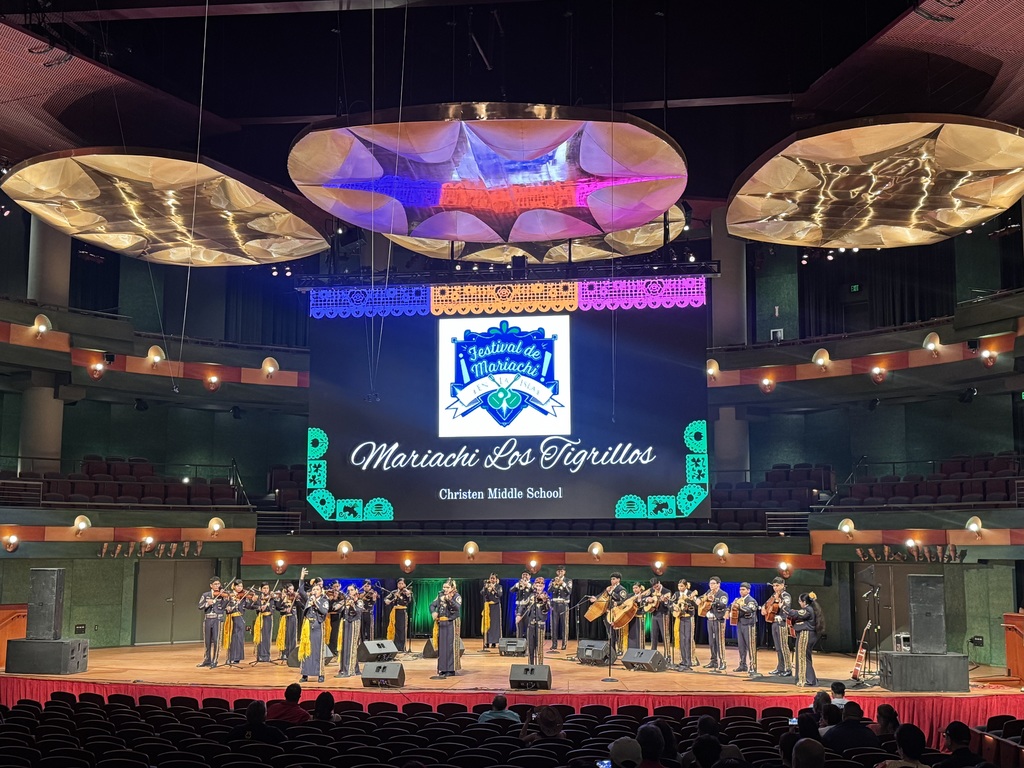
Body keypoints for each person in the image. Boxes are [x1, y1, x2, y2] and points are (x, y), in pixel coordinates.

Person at [297, 567, 329, 683]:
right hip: (307, 627)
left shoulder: (324, 600)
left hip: (317, 627)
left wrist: (316, 603)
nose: (314, 591)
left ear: (321, 591)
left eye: (317, 589)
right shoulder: (308, 599)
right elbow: (300, 591)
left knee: (317, 650)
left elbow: (324, 612)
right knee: (306, 649)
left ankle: (320, 673)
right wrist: (302, 577)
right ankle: (305, 674)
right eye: (313, 589)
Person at [786, 592, 823, 686]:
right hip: (808, 634)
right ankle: (811, 679)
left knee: (802, 657)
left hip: (806, 635)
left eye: (800, 601)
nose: (799, 603)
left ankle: (806, 680)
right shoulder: (811, 609)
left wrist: (784, 607)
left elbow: (796, 614)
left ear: (804, 602)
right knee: (806, 657)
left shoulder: (808, 610)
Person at [590, 572, 629, 657]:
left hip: (616, 614)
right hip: (607, 613)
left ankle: (619, 650)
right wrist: (595, 598)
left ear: (618, 580)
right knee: (610, 633)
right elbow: (602, 595)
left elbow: (623, 600)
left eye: (614, 579)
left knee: (617, 633)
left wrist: (612, 593)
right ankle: (612, 651)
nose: (612, 580)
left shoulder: (621, 589)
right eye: (611, 579)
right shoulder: (609, 588)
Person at [430, 578, 462, 677]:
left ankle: (451, 669)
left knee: (450, 645)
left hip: (452, 622)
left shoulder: (456, 596)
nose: (445, 589)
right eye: (444, 587)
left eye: (447, 587)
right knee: (442, 646)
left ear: (452, 587)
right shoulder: (440, 595)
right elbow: (432, 605)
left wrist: (449, 600)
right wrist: (433, 612)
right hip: (442, 623)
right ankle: (443, 668)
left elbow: (457, 607)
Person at [762, 576, 793, 676]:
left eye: (777, 585)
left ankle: (788, 668)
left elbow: (787, 608)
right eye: (774, 586)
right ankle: (780, 667)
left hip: (781, 623)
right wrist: (763, 608)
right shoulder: (774, 595)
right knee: (778, 647)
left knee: (784, 646)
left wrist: (781, 616)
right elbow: (767, 603)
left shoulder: (785, 595)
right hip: (774, 622)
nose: (775, 588)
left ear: (783, 585)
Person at [334, 583, 365, 678]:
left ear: (356, 591)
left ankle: (349, 670)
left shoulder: (359, 601)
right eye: (348, 590)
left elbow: (359, 611)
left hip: (354, 623)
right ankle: (349, 668)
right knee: (345, 646)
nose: (350, 592)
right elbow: (335, 608)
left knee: (351, 646)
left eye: (352, 590)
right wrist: (341, 602)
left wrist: (353, 605)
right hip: (345, 623)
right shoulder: (346, 600)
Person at [519, 576, 550, 665]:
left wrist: (544, 602)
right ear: (534, 585)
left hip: (540, 625)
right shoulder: (531, 596)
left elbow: (546, 610)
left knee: (539, 647)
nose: (539, 587)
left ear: (543, 586)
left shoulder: (546, 597)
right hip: (531, 624)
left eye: (541, 585)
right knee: (530, 647)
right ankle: (530, 665)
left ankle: (540, 666)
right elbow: (523, 605)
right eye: (537, 585)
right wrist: (518, 615)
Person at [197, 577, 226, 669]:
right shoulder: (206, 595)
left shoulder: (222, 595)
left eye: (218, 584)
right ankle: (207, 659)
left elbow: (225, 606)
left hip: (217, 619)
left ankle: (215, 660)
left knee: (217, 640)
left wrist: (225, 598)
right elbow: (200, 606)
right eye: (215, 584)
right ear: (211, 585)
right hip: (208, 619)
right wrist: (207, 604)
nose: (217, 586)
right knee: (207, 641)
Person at [702, 577, 729, 672]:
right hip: (710, 620)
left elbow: (723, 604)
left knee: (719, 642)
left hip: (719, 620)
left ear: (718, 584)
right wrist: (699, 600)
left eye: (713, 583)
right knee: (711, 641)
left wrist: (714, 600)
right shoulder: (708, 592)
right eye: (710, 583)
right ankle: (713, 661)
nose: (711, 585)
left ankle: (722, 662)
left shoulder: (723, 594)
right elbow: (701, 599)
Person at [732, 582, 759, 674]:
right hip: (740, 624)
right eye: (740, 589)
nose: (741, 591)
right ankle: (742, 665)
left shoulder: (751, 600)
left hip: (749, 625)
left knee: (751, 646)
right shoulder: (738, 600)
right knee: (741, 646)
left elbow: (750, 609)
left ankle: (753, 667)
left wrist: (739, 606)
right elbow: (732, 608)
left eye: (743, 589)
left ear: (748, 590)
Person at [672, 579, 698, 671]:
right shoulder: (676, 594)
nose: (680, 588)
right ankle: (683, 660)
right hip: (680, 618)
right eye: (679, 586)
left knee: (688, 639)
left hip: (688, 618)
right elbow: (671, 603)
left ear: (686, 586)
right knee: (681, 639)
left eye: (682, 586)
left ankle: (690, 660)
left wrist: (690, 601)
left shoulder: (691, 593)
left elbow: (697, 605)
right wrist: (674, 608)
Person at [645, 578, 672, 663]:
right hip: (654, 615)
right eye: (654, 586)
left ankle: (667, 655)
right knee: (653, 635)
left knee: (665, 635)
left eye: (656, 586)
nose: (655, 588)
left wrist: (665, 601)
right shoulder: (651, 590)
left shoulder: (666, 591)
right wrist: (648, 599)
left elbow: (669, 604)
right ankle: (652, 654)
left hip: (663, 615)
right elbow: (644, 596)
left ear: (659, 583)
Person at [222, 579, 248, 666]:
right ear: (234, 586)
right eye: (238, 586)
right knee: (231, 637)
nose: (240, 588)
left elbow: (248, 605)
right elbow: (223, 605)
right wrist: (228, 607)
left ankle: (237, 657)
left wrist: (254, 600)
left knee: (238, 637)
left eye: (241, 586)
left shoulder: (243, 596)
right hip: (230, 618)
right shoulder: (229, 594)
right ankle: (230, 656)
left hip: (239, 617)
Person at [248, 582, 275, 664]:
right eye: (264, 588)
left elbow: (273, 607)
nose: (266, 590)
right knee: (259, 637)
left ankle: (266, 656)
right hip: (260, 618)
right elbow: (250, 606)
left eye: (267, 588)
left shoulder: (271, 598)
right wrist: (259, 607)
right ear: (260, 589)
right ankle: (259, 656)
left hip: (268, 618)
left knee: (267, 636)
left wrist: (268, 606)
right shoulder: (258, 598)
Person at [385, 577, 413, 652]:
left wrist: (401, 597)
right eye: (399, 584)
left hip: (402, 612)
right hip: (394, 612)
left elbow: (407, 602)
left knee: (402, 629)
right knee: (394, 629)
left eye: (402, 583)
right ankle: (395, 647)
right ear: (397, 585)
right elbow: (387, 598)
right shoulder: (394, 592)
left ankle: (402, 647)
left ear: (404, 584)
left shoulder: (406, 592)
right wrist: (387, 600)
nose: (401, 585)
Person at [274, 583, 300, 662]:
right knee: (285, 635)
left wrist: (297, 599)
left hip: (292, 618)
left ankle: (291, 653)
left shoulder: (294, 597)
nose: (292, 591)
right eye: (290, 589)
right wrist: (282, 599)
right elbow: (277, 607)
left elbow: (301, 605)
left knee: (292, 636)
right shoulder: (282, 598)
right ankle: (284, 653)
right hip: (284, 619)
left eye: (293, 589)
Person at [548, 566, 572, 651]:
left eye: (561, 571)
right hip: (554, 604)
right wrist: (554, 583)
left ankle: (564, 644)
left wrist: (563, 584)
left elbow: (569, 591)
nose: (560, 573)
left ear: (564, 572)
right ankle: (554, 644)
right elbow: (549, 590)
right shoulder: (552, 580)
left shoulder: (568, 581)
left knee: (564, 625)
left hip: (563, 604)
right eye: (558, 571)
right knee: (554, 625)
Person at [480, 574, 503, 649]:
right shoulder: (486, 585)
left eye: (494, 578)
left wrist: (494, 589)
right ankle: (487, 641)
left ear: (496, 579)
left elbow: (500, 594)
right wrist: (486, 588)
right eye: (491, 578)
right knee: (487, 624)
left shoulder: (499, 586)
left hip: (495, 606)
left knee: (495, 624)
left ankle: (494, 642)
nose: (492, 580)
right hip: (488, 606)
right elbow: (482, 593)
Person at [324, 580, 342, 661]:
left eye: (337, 586)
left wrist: (337, 598)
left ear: (340, 586)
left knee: (335, 635)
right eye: (334, 587)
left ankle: (335, 651)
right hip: (328, 617)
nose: (336, 588)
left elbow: (340, 607)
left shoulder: (341, 596)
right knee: (329, 635)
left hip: (337, 617)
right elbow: (329, 607)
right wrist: (333, 599)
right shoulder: (328, 595)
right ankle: (328, 652)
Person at [510, 572, 533, 638]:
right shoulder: (518, 584)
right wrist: (517, 585)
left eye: (526, 575)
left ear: (530, 576)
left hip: (528, 607)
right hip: (519, 607)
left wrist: (527, 585)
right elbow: (511, 590)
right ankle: (519, 641)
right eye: (523, 574)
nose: (525, 576)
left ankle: (528, 642)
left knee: (528, 625)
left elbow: (535, 591)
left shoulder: (531, 584)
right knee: (519, 625)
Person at [627, 582, 648, 650]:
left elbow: (644, 606)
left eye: (636, 588)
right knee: (631, 634)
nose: (634, 589)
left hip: (639, 616)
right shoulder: (630, 596)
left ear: (640, 588)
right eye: (633, 588)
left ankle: (640, 651)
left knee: (639, 634)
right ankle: (631, 650)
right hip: (631, 617)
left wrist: (639, 600)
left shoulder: (644, 596)